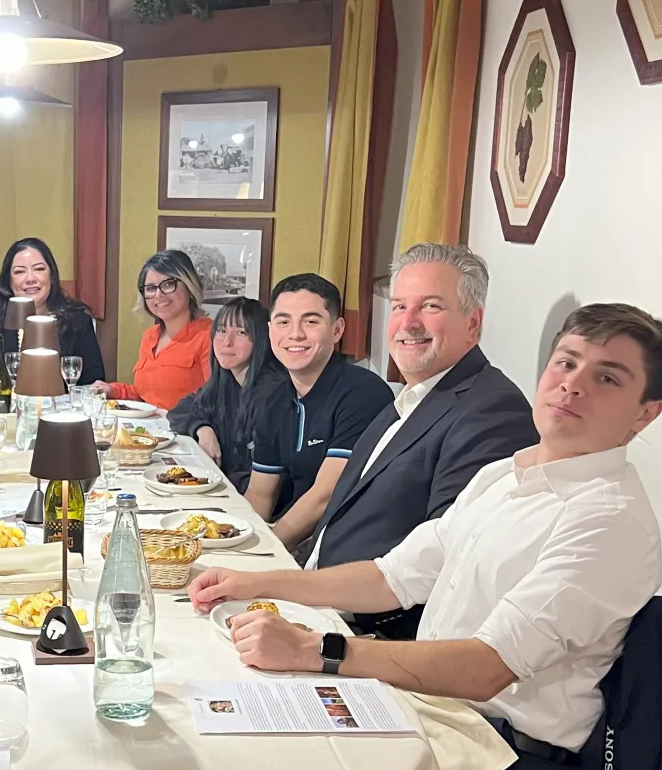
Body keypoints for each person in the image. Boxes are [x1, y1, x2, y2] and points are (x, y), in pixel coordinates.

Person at [189, 303, 662, 770]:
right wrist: (259, 581)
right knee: (228, 714)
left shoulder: (606, 517)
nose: (573, 385)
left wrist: (321, 653)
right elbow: (394, 578)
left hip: (512, 757)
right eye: (568, 361)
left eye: (607, 377)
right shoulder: (506, 477)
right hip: (437, 714)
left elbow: (487, 669)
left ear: (646, 412)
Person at [304, 245, 538, 634]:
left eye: (430, 307)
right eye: (398, 307)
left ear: (473, 323)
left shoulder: (493, 412)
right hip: (317, 603)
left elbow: (442, 568)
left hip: (369, 634)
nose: (408, 323)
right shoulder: (414, 395)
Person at [243, 273, 393, 554]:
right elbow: (260, 495)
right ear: (270, 330)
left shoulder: (364, 393)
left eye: (311, 322)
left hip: (345, 554)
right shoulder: (274, 400)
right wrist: (235, 541)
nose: (295, 334)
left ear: (337, 330)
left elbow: (325, 496)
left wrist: (263, 553)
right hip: (292, 545)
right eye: (283, 321)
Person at [0, 237, 106, 386]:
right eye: (20, 271)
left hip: (58, 412)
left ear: (52, 275)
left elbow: (94, 377)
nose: (30, 279)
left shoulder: (76, 320)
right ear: (9, 279)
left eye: (39, 269)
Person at [167, 296, 285, 493]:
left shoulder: (272, 392)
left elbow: (262, 478)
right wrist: (202, 428)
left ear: (261, 338)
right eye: (221, 331)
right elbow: (182, 408)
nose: (227, 342)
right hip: (224, 488)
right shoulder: (226, 381)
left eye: (241, 333)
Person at [109, 250, 212, 410]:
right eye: (150, 288)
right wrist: (112, 390)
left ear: (190, 287)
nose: (159, 294)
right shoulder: (150, 336)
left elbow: (217, 400)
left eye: (168, 284)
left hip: (187, 432)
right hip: (148, 431)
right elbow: (146, 394)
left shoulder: (209, 335)